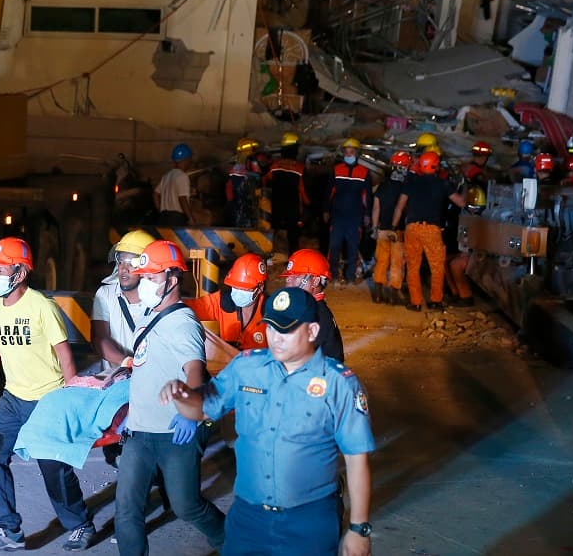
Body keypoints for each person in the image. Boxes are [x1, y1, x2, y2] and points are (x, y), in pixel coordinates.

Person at [159, 287, 376, 556]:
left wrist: (359, 529)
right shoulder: (246, 368)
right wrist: (182, 397)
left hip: (309, 522)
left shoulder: (339, 384)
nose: (276, 338)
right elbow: (202, 410)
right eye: (271, 328)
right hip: (248, 519)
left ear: (312, 331)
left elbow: (357, 460)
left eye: (286, 329)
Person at [0, 237, 96, 551]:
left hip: (48, 399)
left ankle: (80, 524)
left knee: (53, 467)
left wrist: (70, 393)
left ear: (21, 273)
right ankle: (7, 528)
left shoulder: (42, 306)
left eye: (2, 267)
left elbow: (63, 352)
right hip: (13, 399)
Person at [115, 240, 226, 555]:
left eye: (152, 277)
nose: (145, 282)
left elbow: (195, 371)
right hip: (139, 432)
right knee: (126, 509)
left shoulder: (183, 322)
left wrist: (190, 413)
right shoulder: (148, 316)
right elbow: (146, 366)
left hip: (173, 434)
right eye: (145, 275)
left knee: (186, 505)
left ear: (172, 281)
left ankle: (230, 542)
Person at [393, 151, 465, 312]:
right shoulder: (443, 184)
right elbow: (460, 202)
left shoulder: (411, 182)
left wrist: (393, 226)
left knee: (413, 267)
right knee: (437, 267)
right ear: (436, 166)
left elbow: (399, 206)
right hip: (432, 229)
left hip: (412, 228)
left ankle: (416, 302)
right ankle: (435, 301)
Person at [92, 230, 155, 369]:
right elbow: (100, 338)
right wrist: (127, 362)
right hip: (116, 378)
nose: (123, 269)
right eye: (120, 261)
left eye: (132, 263)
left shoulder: (157, 298)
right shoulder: (105, 294)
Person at [186, 253, 269, 350]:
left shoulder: (271, 311)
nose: (238, 292)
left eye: (245, 288)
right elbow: (186, 308)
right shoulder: (221, 302)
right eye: (235, 286)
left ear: (260, 288)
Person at [281, 249, 344, 362]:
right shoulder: (308, 308)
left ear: (315, 281)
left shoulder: (317, 315)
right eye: (289, 275)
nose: (288, 279)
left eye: (296, 276)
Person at [326, 138, 372, 285]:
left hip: (355, 217)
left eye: (352, 151)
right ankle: (333, 274)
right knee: (334, 246)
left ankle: (350, 275)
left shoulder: (364, 172)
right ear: (343, 152)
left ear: (356, 153)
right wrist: (325, 210)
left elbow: (367, 196)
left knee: (353, 247)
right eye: (347, 151)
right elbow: (328, 193)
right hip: (337, 216)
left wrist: (367, 215)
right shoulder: (336, 169)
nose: (349, 153)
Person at [370, 151, 409, 306]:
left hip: (382, 230)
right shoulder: (407, 187)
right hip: (398, 230)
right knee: (396, 263)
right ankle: (393, 294)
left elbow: (376, 209)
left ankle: (378, 294)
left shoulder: (383, 185)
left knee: (381, 261)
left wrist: (374, 227)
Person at [265, 131, 311, 252]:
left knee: (273, 234)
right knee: (293, 238)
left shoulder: (274, 166)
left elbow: (265, 182)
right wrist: (308, 204)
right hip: (292, 208)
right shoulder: (299, 168)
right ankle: (292, 261)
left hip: (276, 206)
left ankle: (270, 261)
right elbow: (303, 190)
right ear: (295, 148)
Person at [154, 143, 194, 226]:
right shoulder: (182, 176)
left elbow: (155, 194)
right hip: (176, 219)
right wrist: (190, 217)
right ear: (186, 160)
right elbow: (182, 198)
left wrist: (160, 210)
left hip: (163, 218)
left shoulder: (166, 175)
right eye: (190, 159)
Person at [226, 138, 261, 228]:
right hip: (247, 205)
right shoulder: (252, 161)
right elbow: (258, 179)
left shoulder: (235, 167)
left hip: (236, 205)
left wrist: (230, 202)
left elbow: (229, 187)